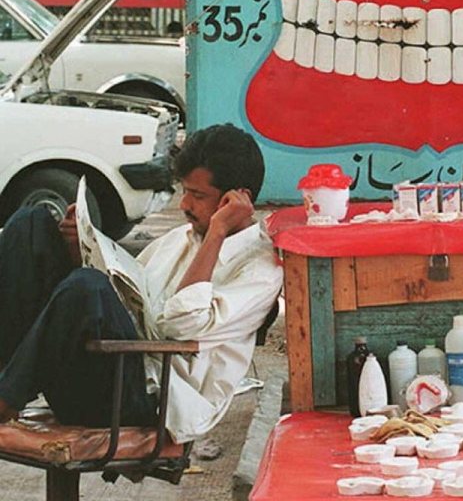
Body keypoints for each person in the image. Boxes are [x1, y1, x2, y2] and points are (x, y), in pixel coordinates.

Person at [0, 124, 283, 443]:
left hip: (145, 400)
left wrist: (217, 232)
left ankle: (6, 398)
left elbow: (178, 325)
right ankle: (7, 377)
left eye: (198, 195)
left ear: (236, 200)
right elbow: (124, 289)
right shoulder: (181, 238)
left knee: (86, 286)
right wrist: (79, 249)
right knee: (30, 225)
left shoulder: (260, 270)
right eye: (185, 191)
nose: (185, 205)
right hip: (104, 366)